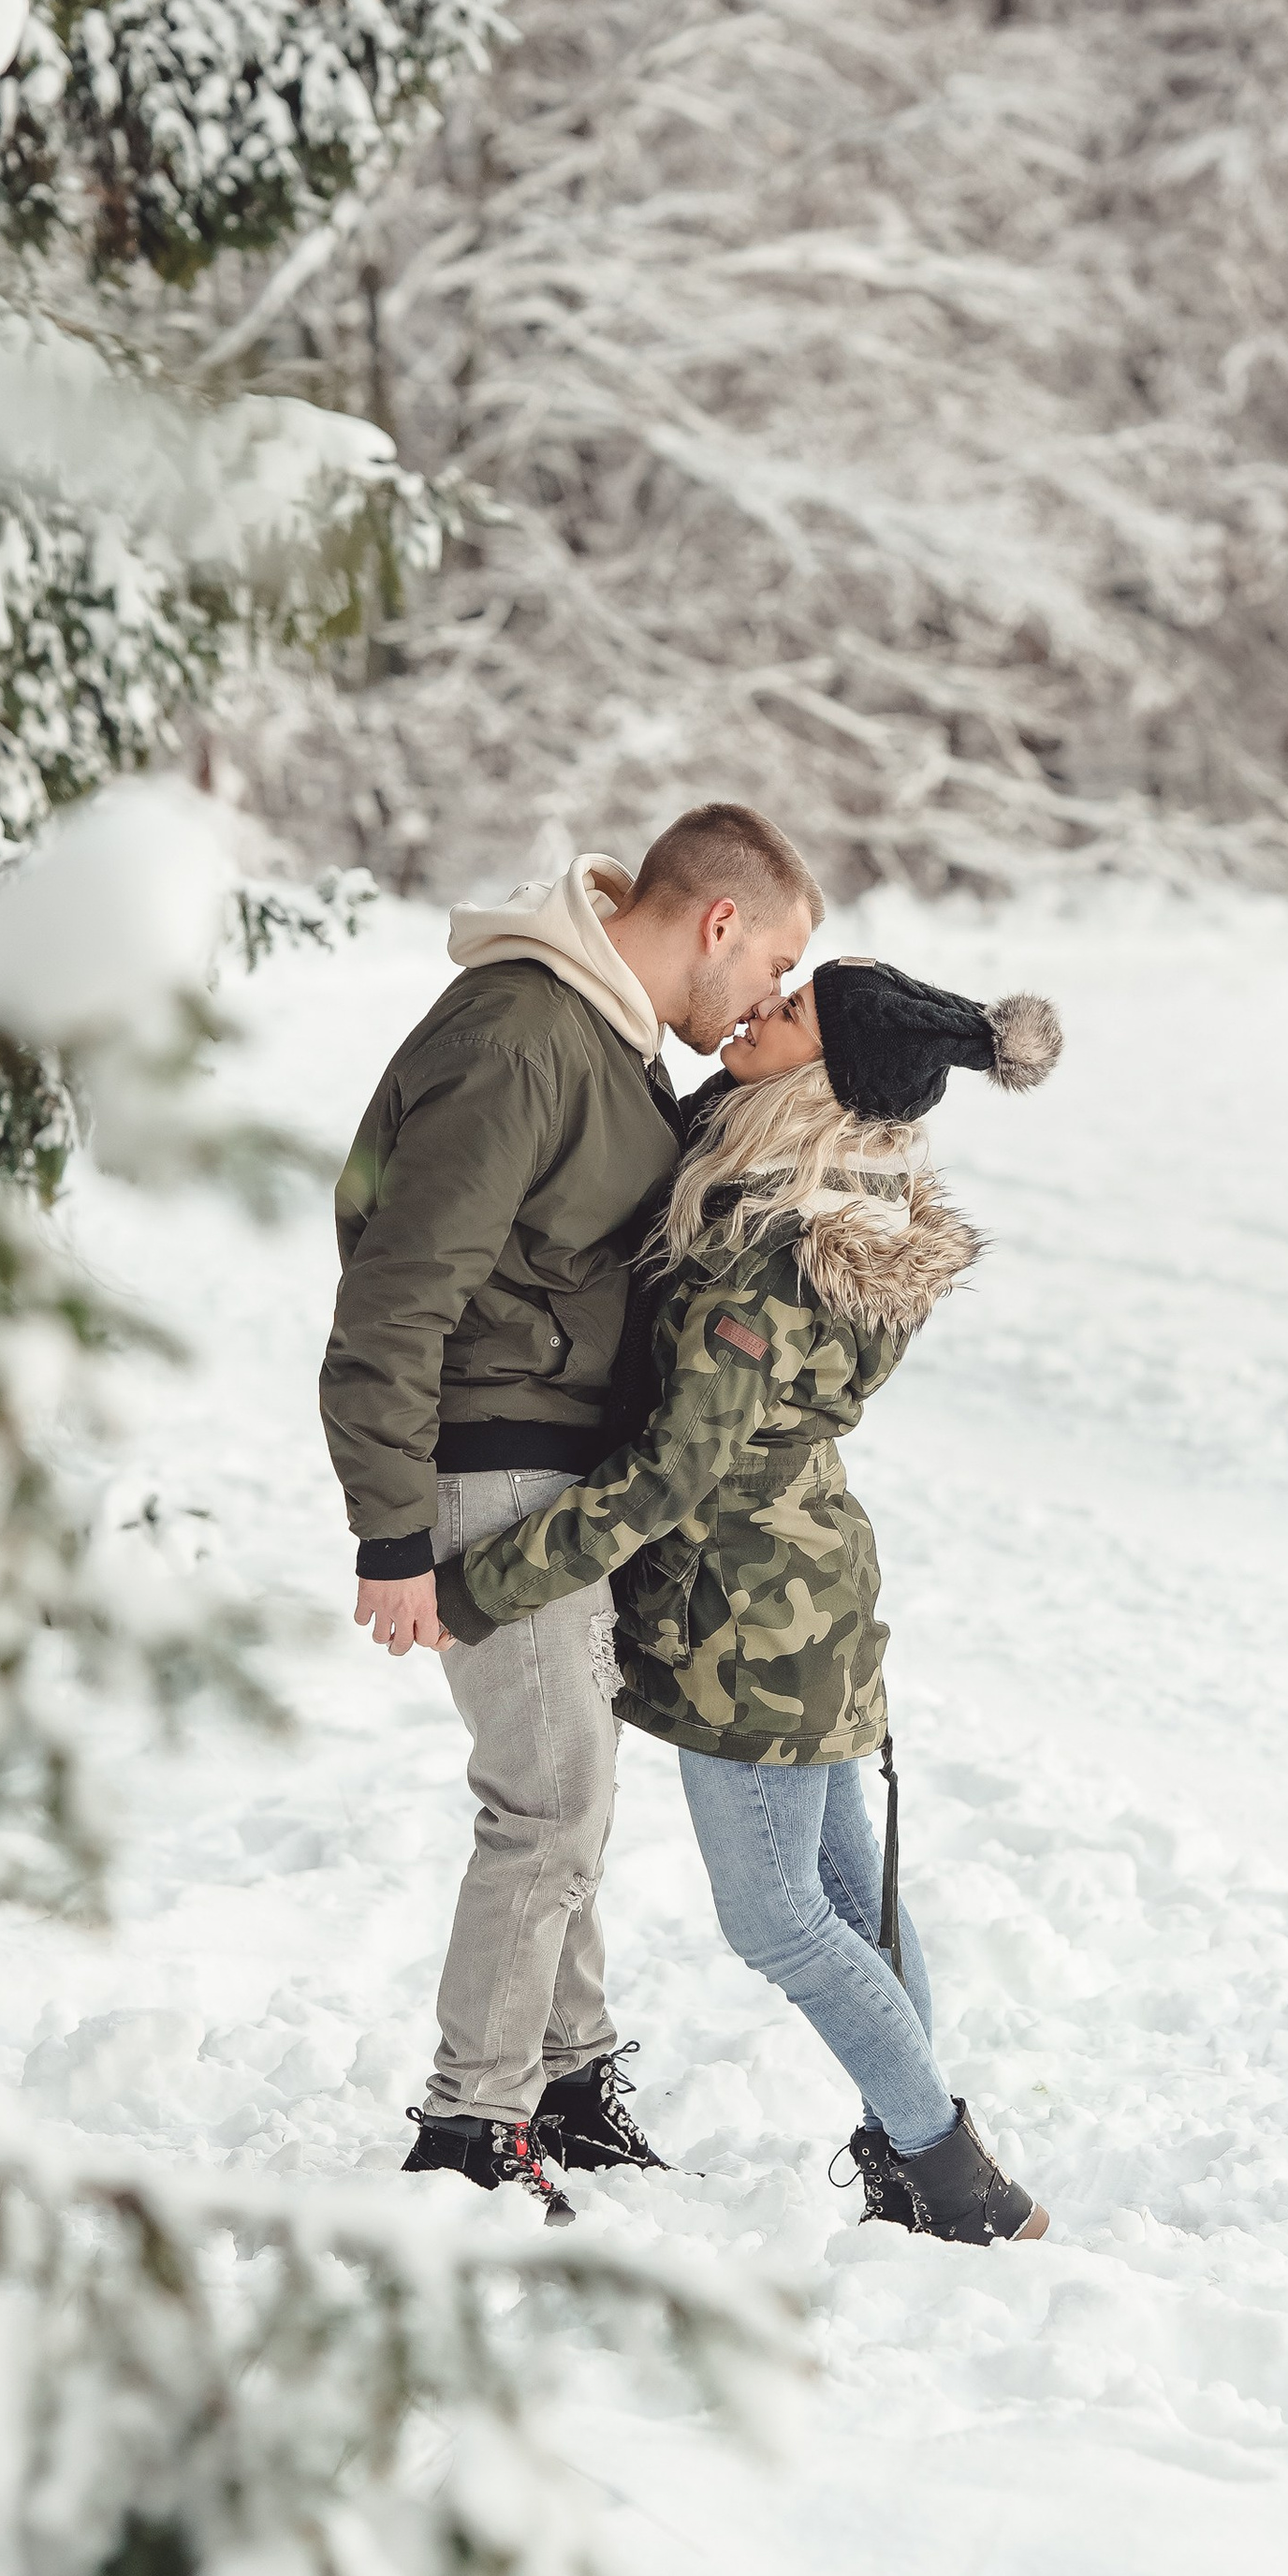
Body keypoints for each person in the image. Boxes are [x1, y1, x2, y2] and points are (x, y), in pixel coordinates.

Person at [432, 957, 1063, 2246]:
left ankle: (945, 2167)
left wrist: (490, 1580)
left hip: (749, 1623)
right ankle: (915, 2156)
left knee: (778, 1916)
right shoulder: (841, 1199)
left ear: (829, 1077)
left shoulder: (767, 1252)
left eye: (792, 1015)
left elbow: (674, 1473)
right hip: (812, 1588)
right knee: (851, 1894)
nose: (759, 1012)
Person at [320, 803, 823, 2223]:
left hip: (550, 1474)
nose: (770, 997)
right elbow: (394, 1292)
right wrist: (391, 1532)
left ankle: (566, 2082)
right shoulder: (523, 1036)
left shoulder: (606, 1035)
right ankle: (471, 2125)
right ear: (718, 922)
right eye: (775, 962)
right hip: (490, 1473)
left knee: (572, 1790)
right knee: (545, 1802)